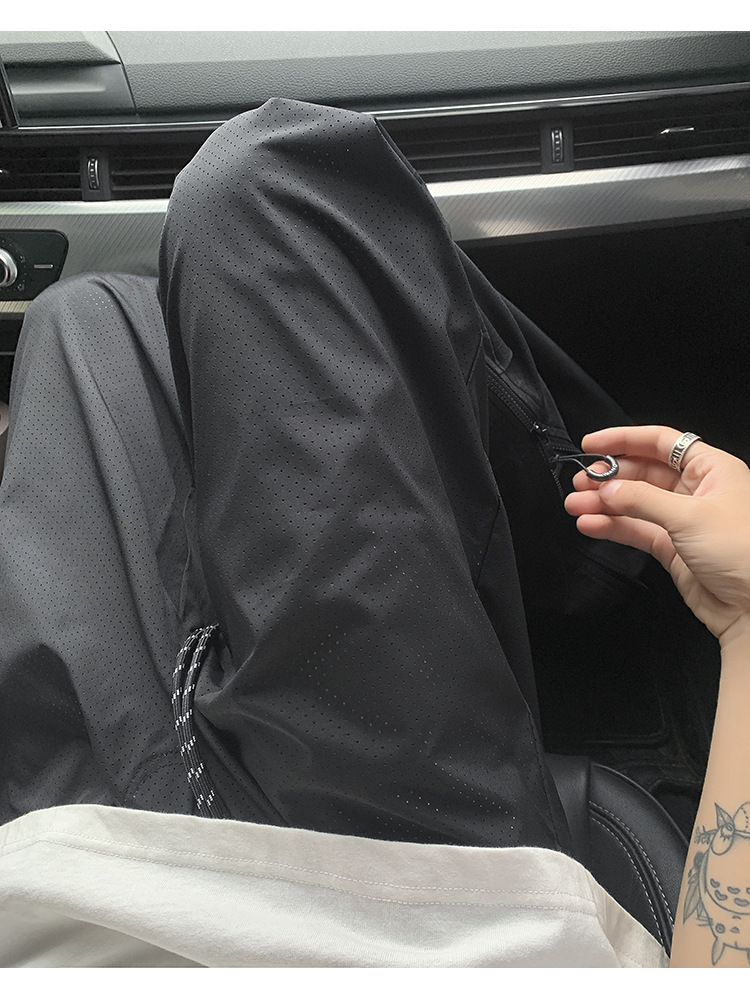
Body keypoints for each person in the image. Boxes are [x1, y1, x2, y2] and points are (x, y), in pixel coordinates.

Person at [0, 98, 746, 967]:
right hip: (421, 922)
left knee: (89, 311)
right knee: (267, 184)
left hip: (72, 886)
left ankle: (586, 529)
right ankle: (592, 545)